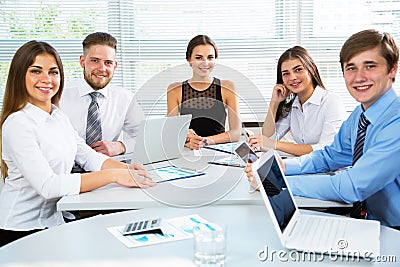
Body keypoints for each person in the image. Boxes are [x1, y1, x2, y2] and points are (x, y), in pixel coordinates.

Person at [0, 41, 156, 247]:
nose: (46, 79)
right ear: (20, 76)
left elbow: (88, 156)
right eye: (36, 71)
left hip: (54, 222)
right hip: (21, 230)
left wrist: (129, 170)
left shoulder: (58, 116)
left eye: (53, 72)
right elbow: (48, 186)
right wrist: (115, 175)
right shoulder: (18, 123)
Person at [246, 29, 400, 228]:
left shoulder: (395, 122)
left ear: (392, 69)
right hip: (367, 221)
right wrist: (284, 168)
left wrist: (276, 185)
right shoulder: (359, 116)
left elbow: (352, 186)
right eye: (351, 68)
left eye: (370, 66)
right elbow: (329, 156)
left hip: (393, 229)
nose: (359, 77)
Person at [247, 46, 346, 156]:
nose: (292, 77)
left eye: (298, 70)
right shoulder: (293, 105)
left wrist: (275, 144)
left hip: (330, 170)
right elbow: (268, 139)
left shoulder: (331, 102)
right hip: (306, 167)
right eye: (286, 73)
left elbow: (326, 149)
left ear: (311, 69)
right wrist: (274, 102)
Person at [60, 32, 144, 158]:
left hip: (107, 168)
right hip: (67, 170)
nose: (102, 68)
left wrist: (121, 146)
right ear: (82, 62)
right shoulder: (58, 96)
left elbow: (146, 137)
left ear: (115, 66)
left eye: (108, 63)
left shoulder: (125, 98)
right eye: (95, 61)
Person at [167, 35, 242, 150]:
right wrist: (184, 140)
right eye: (199, 57)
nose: (205, 63)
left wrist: (205, 141)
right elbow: (171, 131)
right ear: (189, 59)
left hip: (219, 151)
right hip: (189, 151)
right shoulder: (175, 90)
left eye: (210, 57)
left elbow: (236, 133)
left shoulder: (227, 87)